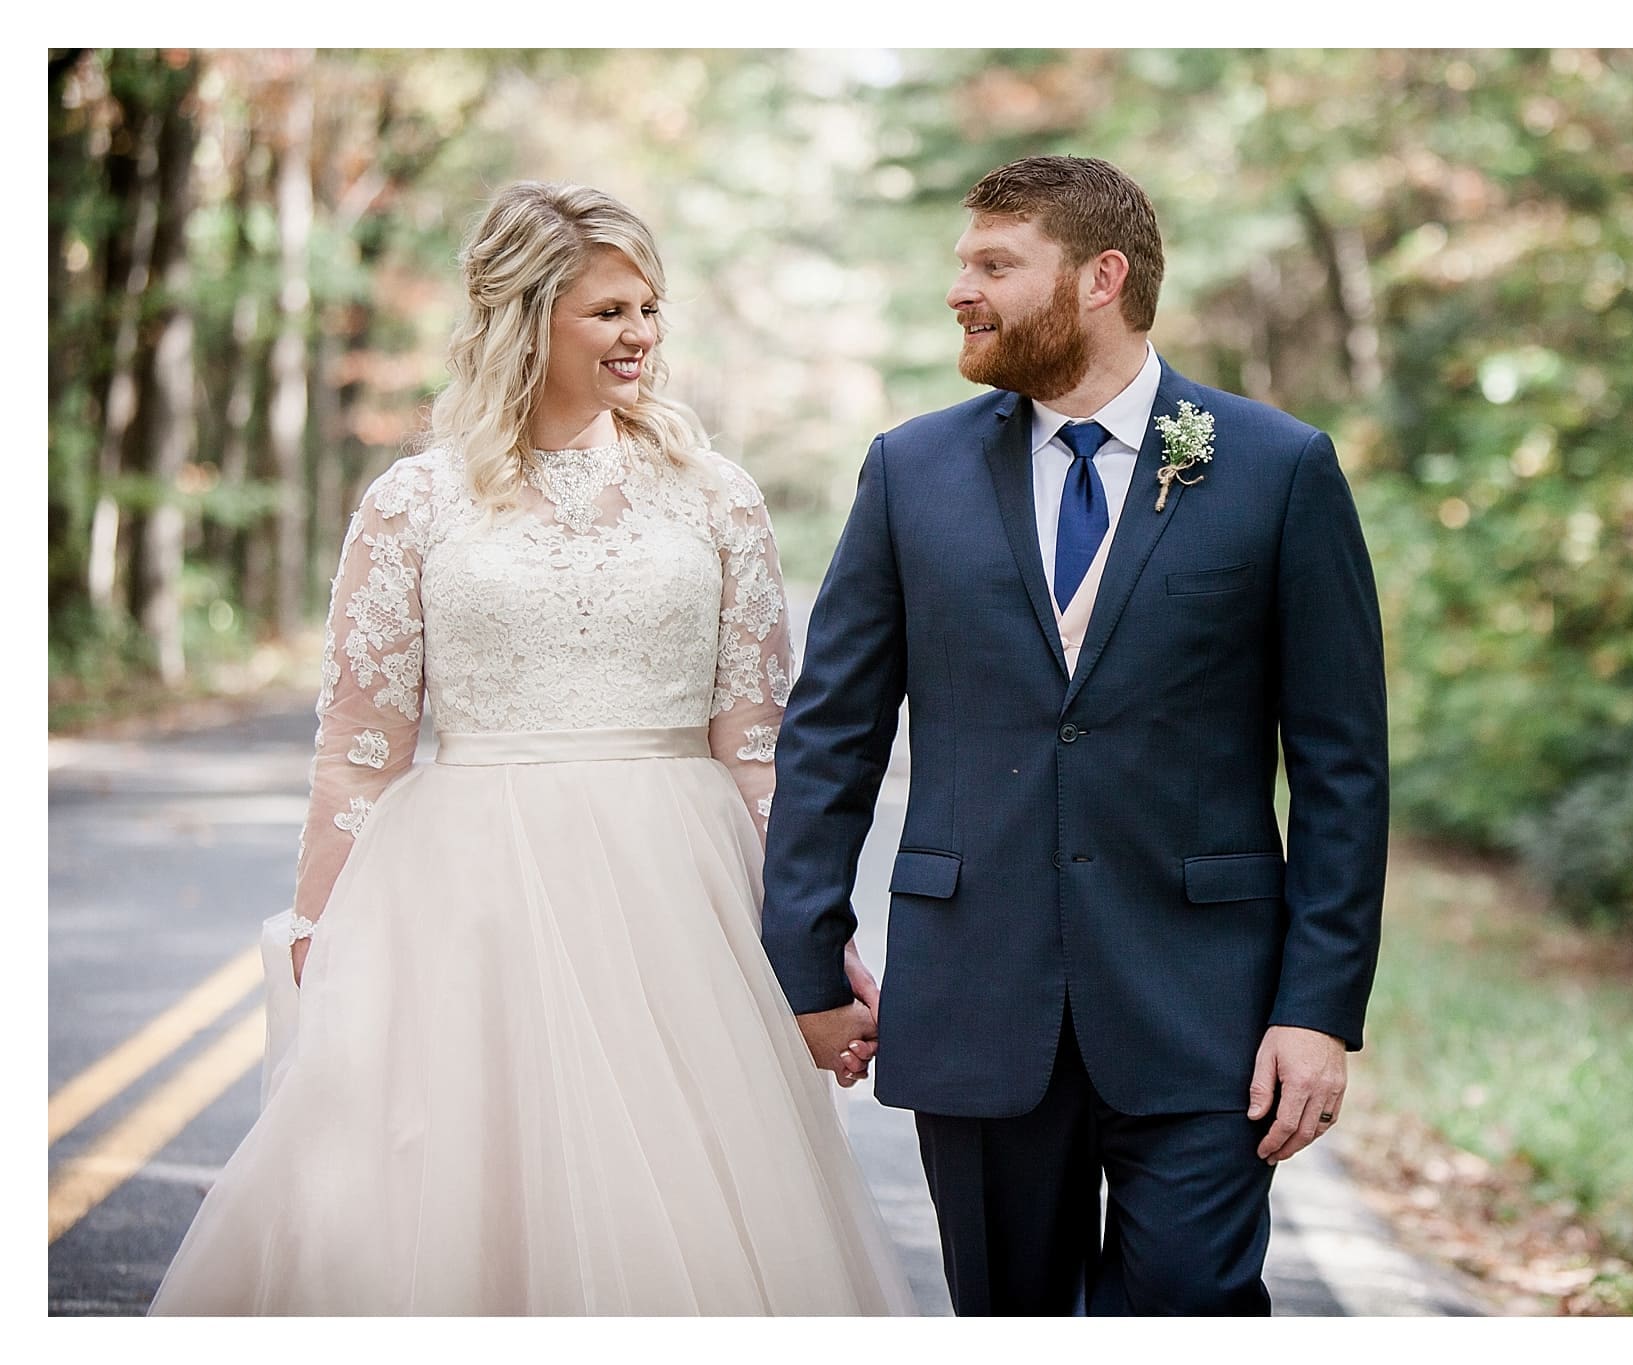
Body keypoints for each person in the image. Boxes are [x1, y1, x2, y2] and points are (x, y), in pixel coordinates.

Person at [150, 182, 912, 1315]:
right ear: (526, 317)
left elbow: (757, 745)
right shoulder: (413, 505)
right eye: (608, 311)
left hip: (679, 900)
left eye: (649, 308)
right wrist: (318, 928)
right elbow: (359, 750)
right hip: (469, 902)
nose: (640, 335)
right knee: (464, 1189)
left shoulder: (714, 499)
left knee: (685, 1200)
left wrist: (811, 938)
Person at [761, 156, 1389, 1316]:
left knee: (1191, 1308)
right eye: (962, 264)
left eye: (994, 265)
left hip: (1204, 1006)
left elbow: (1341, 769)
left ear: (1101, 277)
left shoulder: (1273, 466)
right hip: (974, 997)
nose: (961, 291)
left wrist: (1316, 1008)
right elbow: (831, 731)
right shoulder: (910, 472)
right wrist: (805, 954)